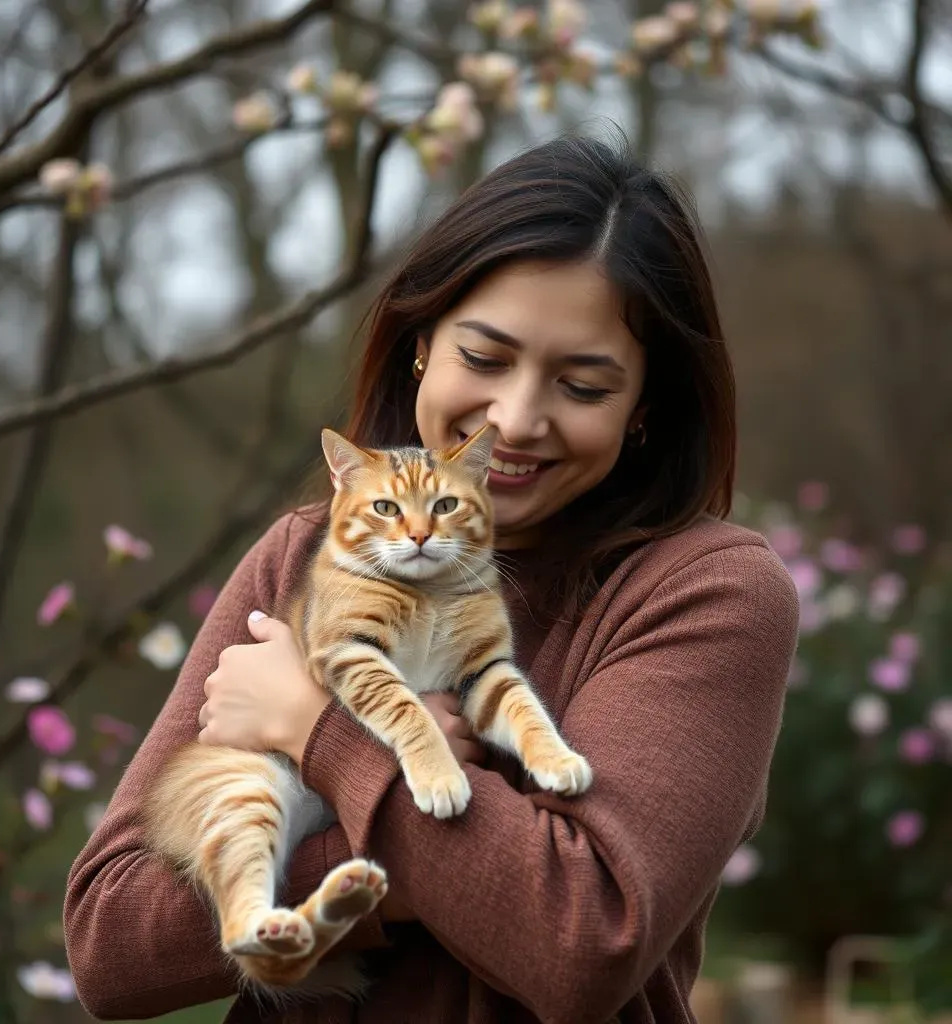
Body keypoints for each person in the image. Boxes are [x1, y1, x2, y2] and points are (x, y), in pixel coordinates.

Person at [63, 134, 799, 1024]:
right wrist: (397, 867)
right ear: (421, 346)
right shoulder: (303, 556)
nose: (517, 420)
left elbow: (583, 941)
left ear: (643, 410)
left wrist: (323, 735)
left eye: (584, 385)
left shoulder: (706, 592)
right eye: (484, 360)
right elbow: (108, 942)